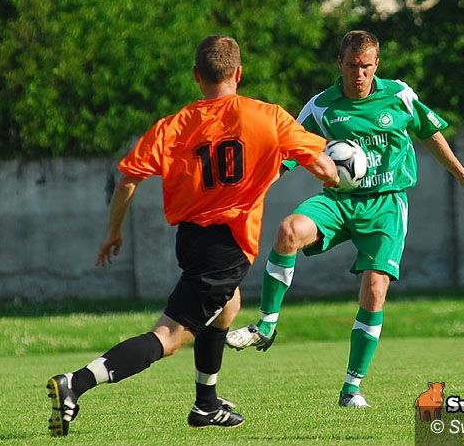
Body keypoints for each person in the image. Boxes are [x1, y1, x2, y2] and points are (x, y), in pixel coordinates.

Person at [44, 35, 338, 436]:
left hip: (191, 240)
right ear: (238, 73)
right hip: (228, 246)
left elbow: (128, 179)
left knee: (229, 305)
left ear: (197, 75)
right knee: (167, 336)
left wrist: (113, 232)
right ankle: (75, 384)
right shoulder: (267, 116)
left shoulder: (174, 126)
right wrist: (341, 177)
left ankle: (206, 405)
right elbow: (324, 167)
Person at [226, 30, 464, 408]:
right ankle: (266, 325)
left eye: (366, 66)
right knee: (288, 230)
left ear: (376, 64)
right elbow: (287, 154)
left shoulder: (399, 95)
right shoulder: (321, 107)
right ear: (340, 64)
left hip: (385, 205)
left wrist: (463, 177)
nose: (359, 74)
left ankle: (351, 388)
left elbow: (430, 133)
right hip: (338, 200)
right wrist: (252, 192)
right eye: (352, 66)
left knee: (375, 290)